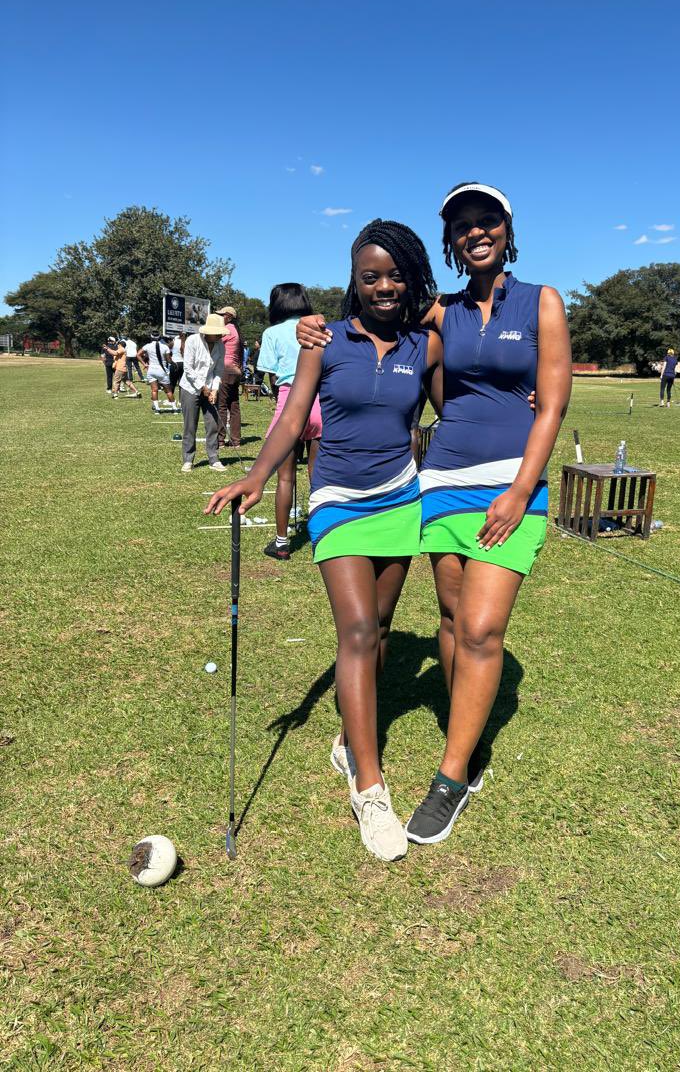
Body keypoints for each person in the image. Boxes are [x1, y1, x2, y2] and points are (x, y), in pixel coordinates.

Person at [298, 182, 571, 847]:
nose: (476, 233)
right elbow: (366, 335)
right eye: (463, 226)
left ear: (507, 229)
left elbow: (555, 406)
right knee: (450, 620)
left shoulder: (543, 301)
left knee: (480, 627)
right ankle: (456, 736)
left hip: (511, 486)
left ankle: (454, 775)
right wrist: (304, 327)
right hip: (442, 482)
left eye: (487, 222)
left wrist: (520, 489)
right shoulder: (438, 314)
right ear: (451, 242)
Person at [207, 220, 444, 862]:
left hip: (400, 495)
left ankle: (349, 737)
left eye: (395, 274)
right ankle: (369, 788)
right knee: (359, 631)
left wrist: (517, 402)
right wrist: (257, 477)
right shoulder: (324, 341)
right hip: (336, 496)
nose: (384, 286)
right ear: (354, 281)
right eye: (371, 276)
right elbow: (291, 415)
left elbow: (456, 410)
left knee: (385, 627)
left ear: (411, 278)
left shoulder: (427, 345)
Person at [257, 284, 323, 560]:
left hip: (289, 401)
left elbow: (271, 377)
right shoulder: (317, 327)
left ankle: (282, 542)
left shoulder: (271, 333)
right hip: (319, 402)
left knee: (286, 478)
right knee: (318, 476)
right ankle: (322, 537)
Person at [179, 315, 228, 472]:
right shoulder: (193, 341)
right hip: (190, 388)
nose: (221, 336)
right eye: (217, 333)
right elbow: (188, 368)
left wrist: (214, 389)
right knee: (190, 425)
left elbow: (219, 370)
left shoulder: (220, 345)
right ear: (208, 332)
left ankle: (213, 459)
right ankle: (188, 459)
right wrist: (202, 387)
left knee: (213, 423)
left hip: (209, 389)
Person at [215, 306, 243, 448]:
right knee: (234, 406)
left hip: (225, 370)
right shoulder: (236, 331)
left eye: (222, 315)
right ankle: (236, 440)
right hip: (235, 370)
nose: (219, 317)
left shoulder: (227, 330)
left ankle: (220, 440)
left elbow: (213, 342)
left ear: (229, 317)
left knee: (222, 405)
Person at [139, 332, 178, 412]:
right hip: (162, 370)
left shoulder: (147, 346)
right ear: (160, 338)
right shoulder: (165, 347)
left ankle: (157, 408)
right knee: (168, 390)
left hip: (151, 370)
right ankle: (174, 408)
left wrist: (144, 364)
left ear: (151, 337)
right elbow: (168, 360)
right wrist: (174, 363)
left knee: (154, 390)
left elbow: (138, 354)